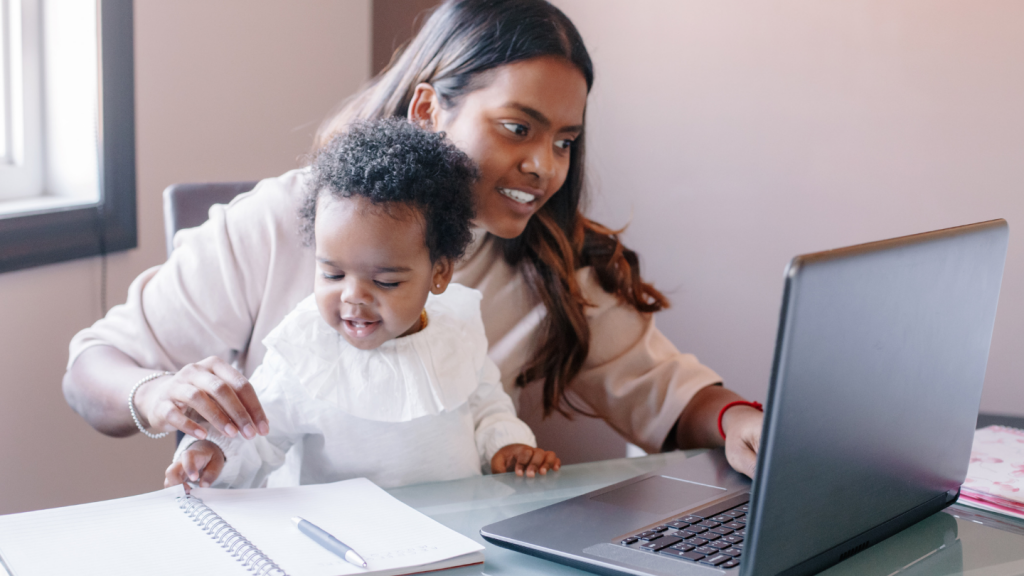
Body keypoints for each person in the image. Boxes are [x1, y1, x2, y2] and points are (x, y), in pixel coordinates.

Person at [63, 0, 764, 479]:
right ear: (430, 107)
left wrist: (735, 420)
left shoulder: (547, 262)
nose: (544, 167)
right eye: (518, 128)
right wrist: (156, 395)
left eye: (565, 141)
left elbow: (664, 392)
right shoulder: (282, 219)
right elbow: (92, 369)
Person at [164, 119, 559, 489]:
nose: (352, 296)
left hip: (453, 533)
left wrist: (506, 446)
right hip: (342, 546)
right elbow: (255, 438)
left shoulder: (457, 328)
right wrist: (212, 454)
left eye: (385, 280)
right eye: (332, 275)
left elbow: (486, 404)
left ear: (439, 273)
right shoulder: (305, 352)